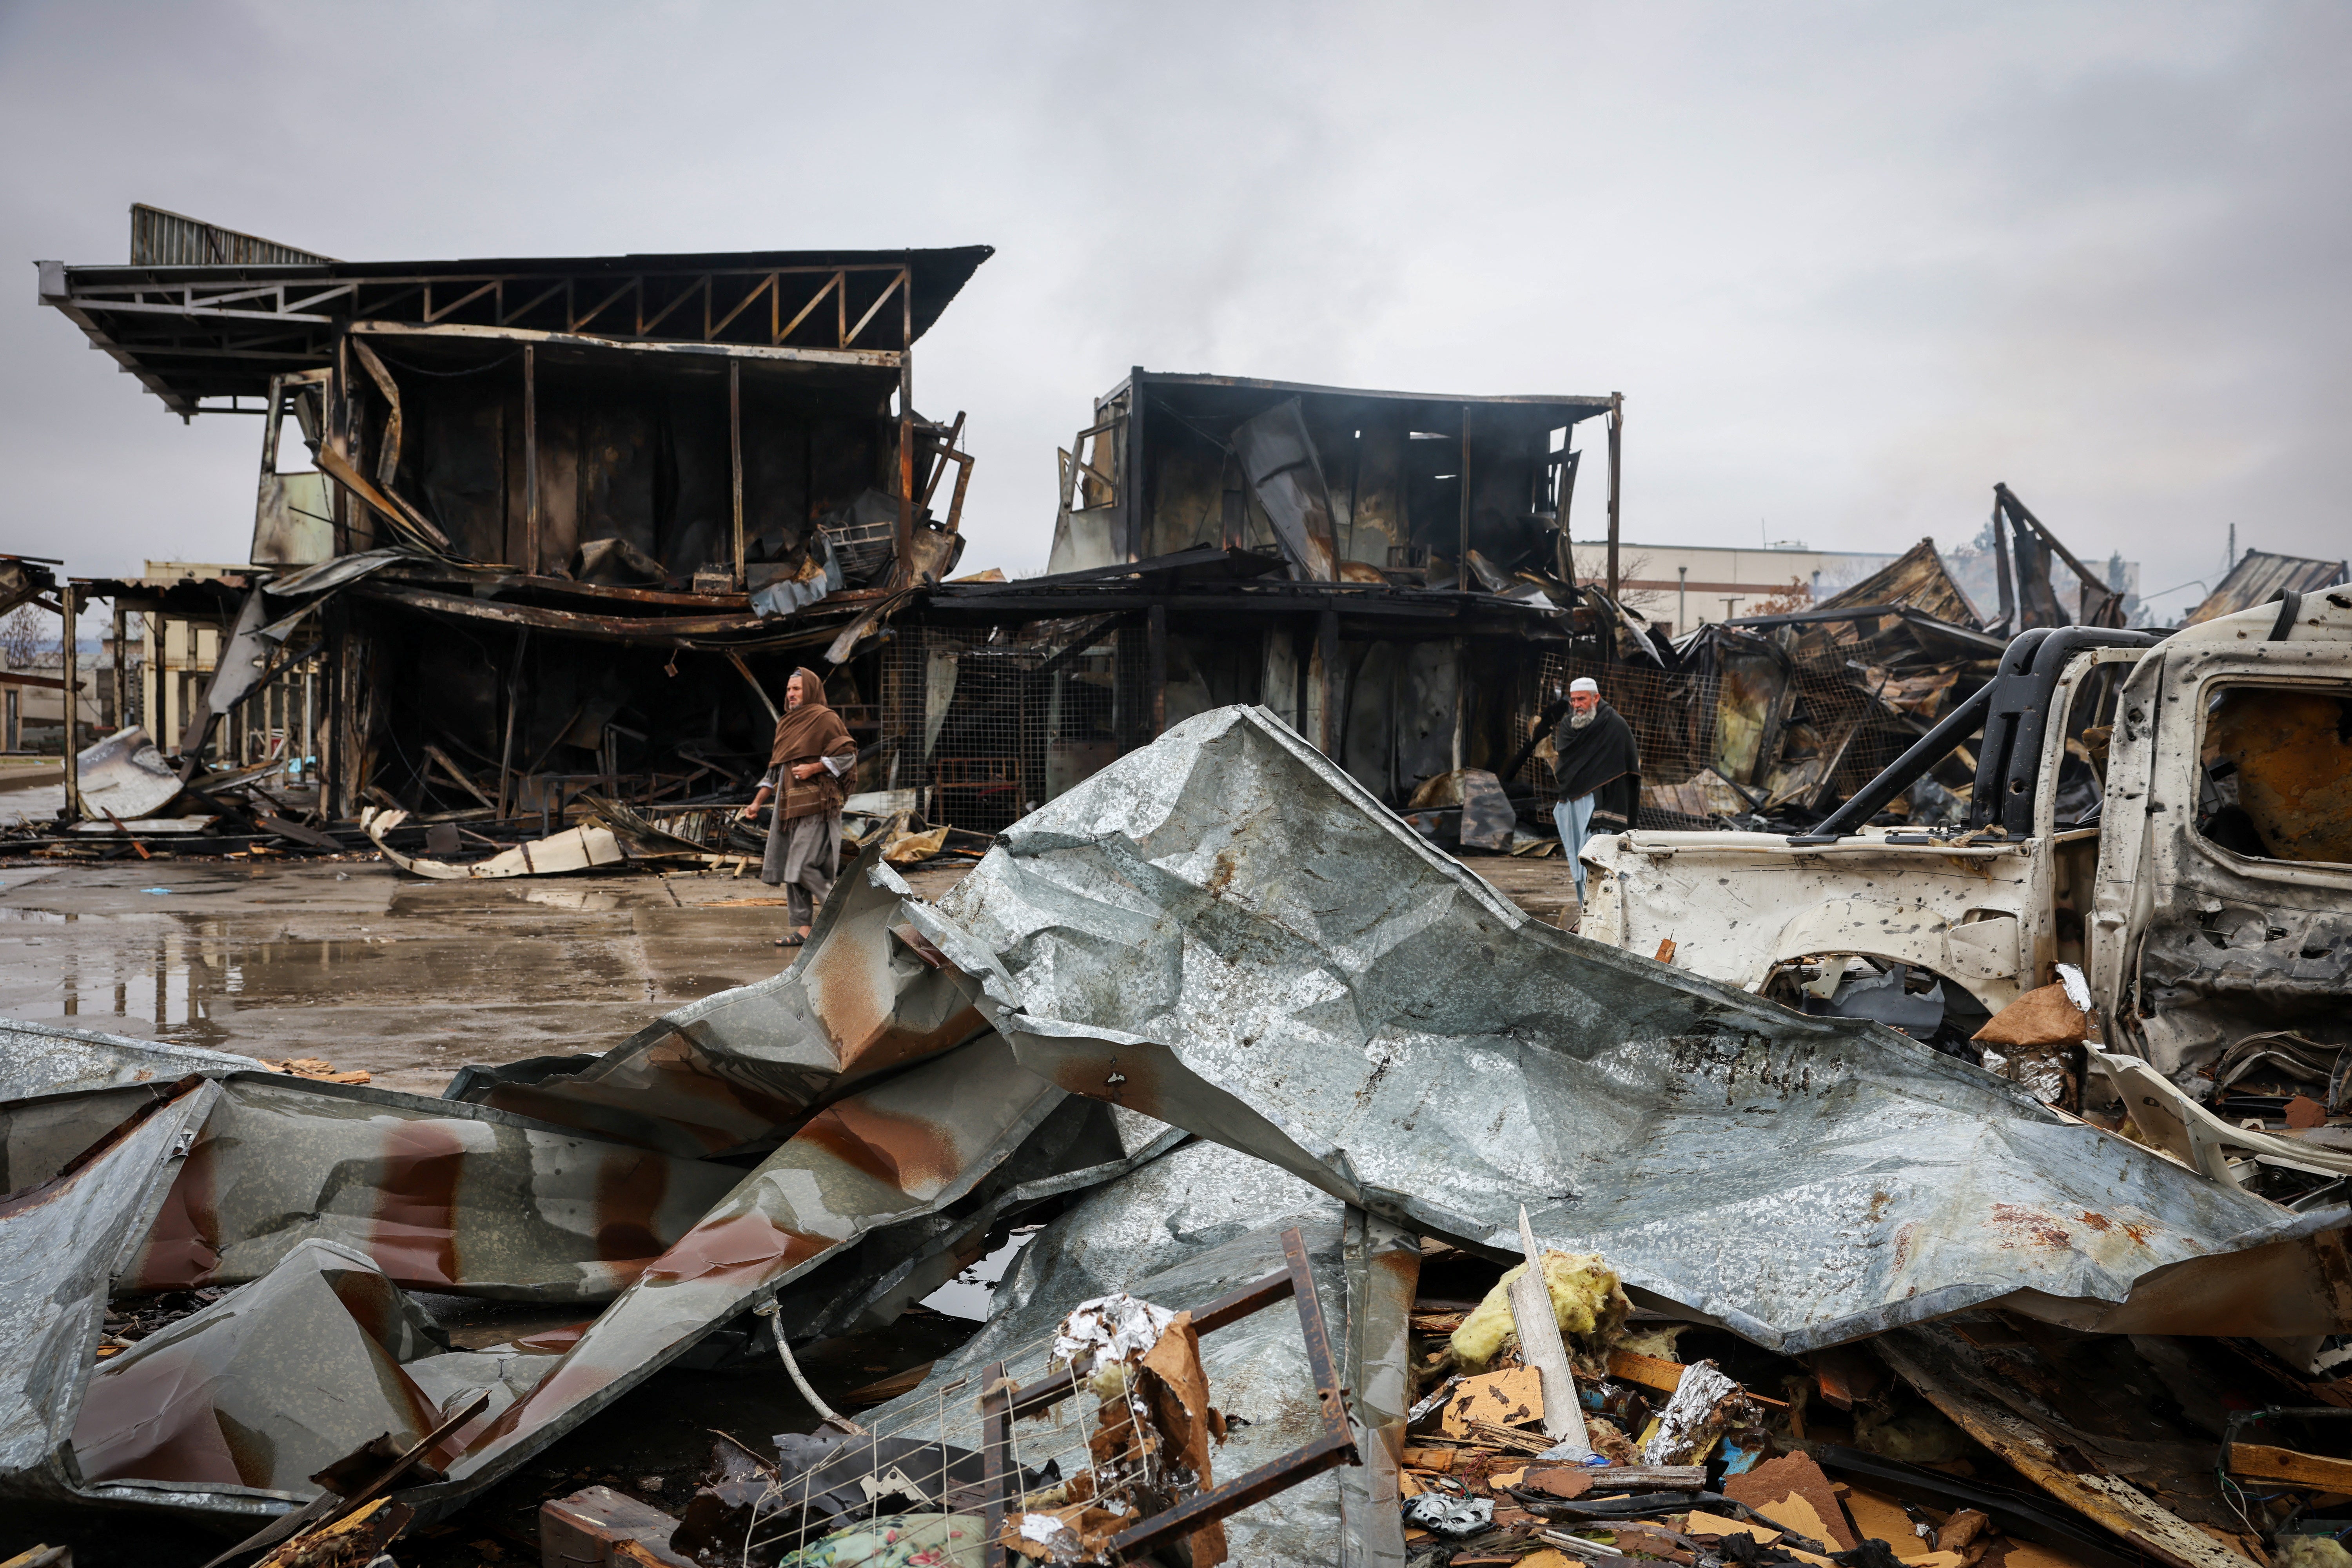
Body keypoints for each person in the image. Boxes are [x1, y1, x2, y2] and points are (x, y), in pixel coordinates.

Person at [739, 668, 858, 947]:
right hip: (789, 808)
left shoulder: (826, 719)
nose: (790, 694)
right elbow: (775, 771)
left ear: (811, 690)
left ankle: (846, 917)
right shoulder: (786, 724)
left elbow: (848, 755)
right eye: (789, 689)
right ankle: (804, 929)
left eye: (797, 689)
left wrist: (815, 767)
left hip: (818, 803)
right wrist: (757, 804)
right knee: (790, 868)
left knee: (802, 866)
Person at [1548, 676, 1641, 905]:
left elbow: (1626, 768)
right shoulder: (1569, 726)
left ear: (1596, 698)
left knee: (1598, 860)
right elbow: (1566, 766)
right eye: (1573, 700)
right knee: (1577, 859)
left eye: (1582, 699)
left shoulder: (1615, 725)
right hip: (1573, 801)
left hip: (1603, 804)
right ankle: (1585, 911)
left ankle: (1603, 911)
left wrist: (1608, 800)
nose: (1577, 705)